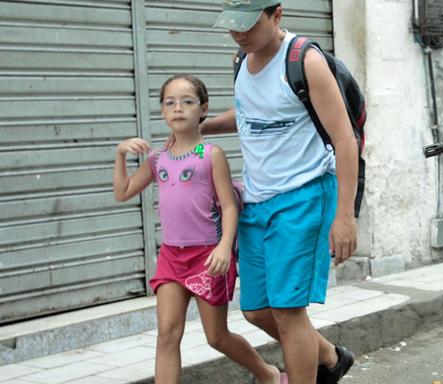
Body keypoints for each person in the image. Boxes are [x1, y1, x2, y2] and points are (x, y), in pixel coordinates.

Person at [203, 1, 358, 383]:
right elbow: (248, 115)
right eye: (233, 26)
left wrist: (345, 215)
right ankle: (329, 357)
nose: (239, 34)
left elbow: (344, 139)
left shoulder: (304, 60)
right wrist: (199, 127)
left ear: (277, 15)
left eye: (249, 25)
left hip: (304, 198)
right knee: (256, 311)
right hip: (257, 202)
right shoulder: (242, 59)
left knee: (290, 313)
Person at [113, 74, 284, 384]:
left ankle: (268, 374)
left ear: (203, 110)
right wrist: (121, 153)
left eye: (187, 102)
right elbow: (123, 192)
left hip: (207, 258)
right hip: (171, 258)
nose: (178, 108)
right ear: (162, 111)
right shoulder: (157, 159)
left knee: (216, 337)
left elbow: (229, 206)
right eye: (170, 103)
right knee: (167, 333)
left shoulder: (211, 156)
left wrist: (224, 247)